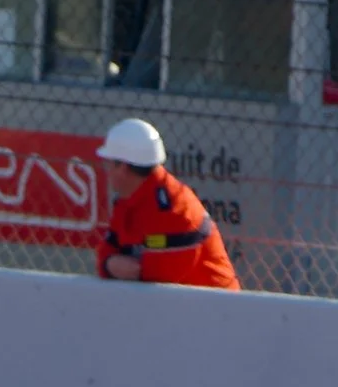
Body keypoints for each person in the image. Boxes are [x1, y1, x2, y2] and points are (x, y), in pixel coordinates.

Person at [94, 119, 238, 291]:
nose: (106, 171)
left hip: (214, 305)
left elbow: (161, 280)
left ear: (123, 168)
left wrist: (117, 266)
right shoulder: (127, 200)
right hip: (175, 303)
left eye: (108, 164)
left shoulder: (174, 209)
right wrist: (110, 264)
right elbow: (106, 251)